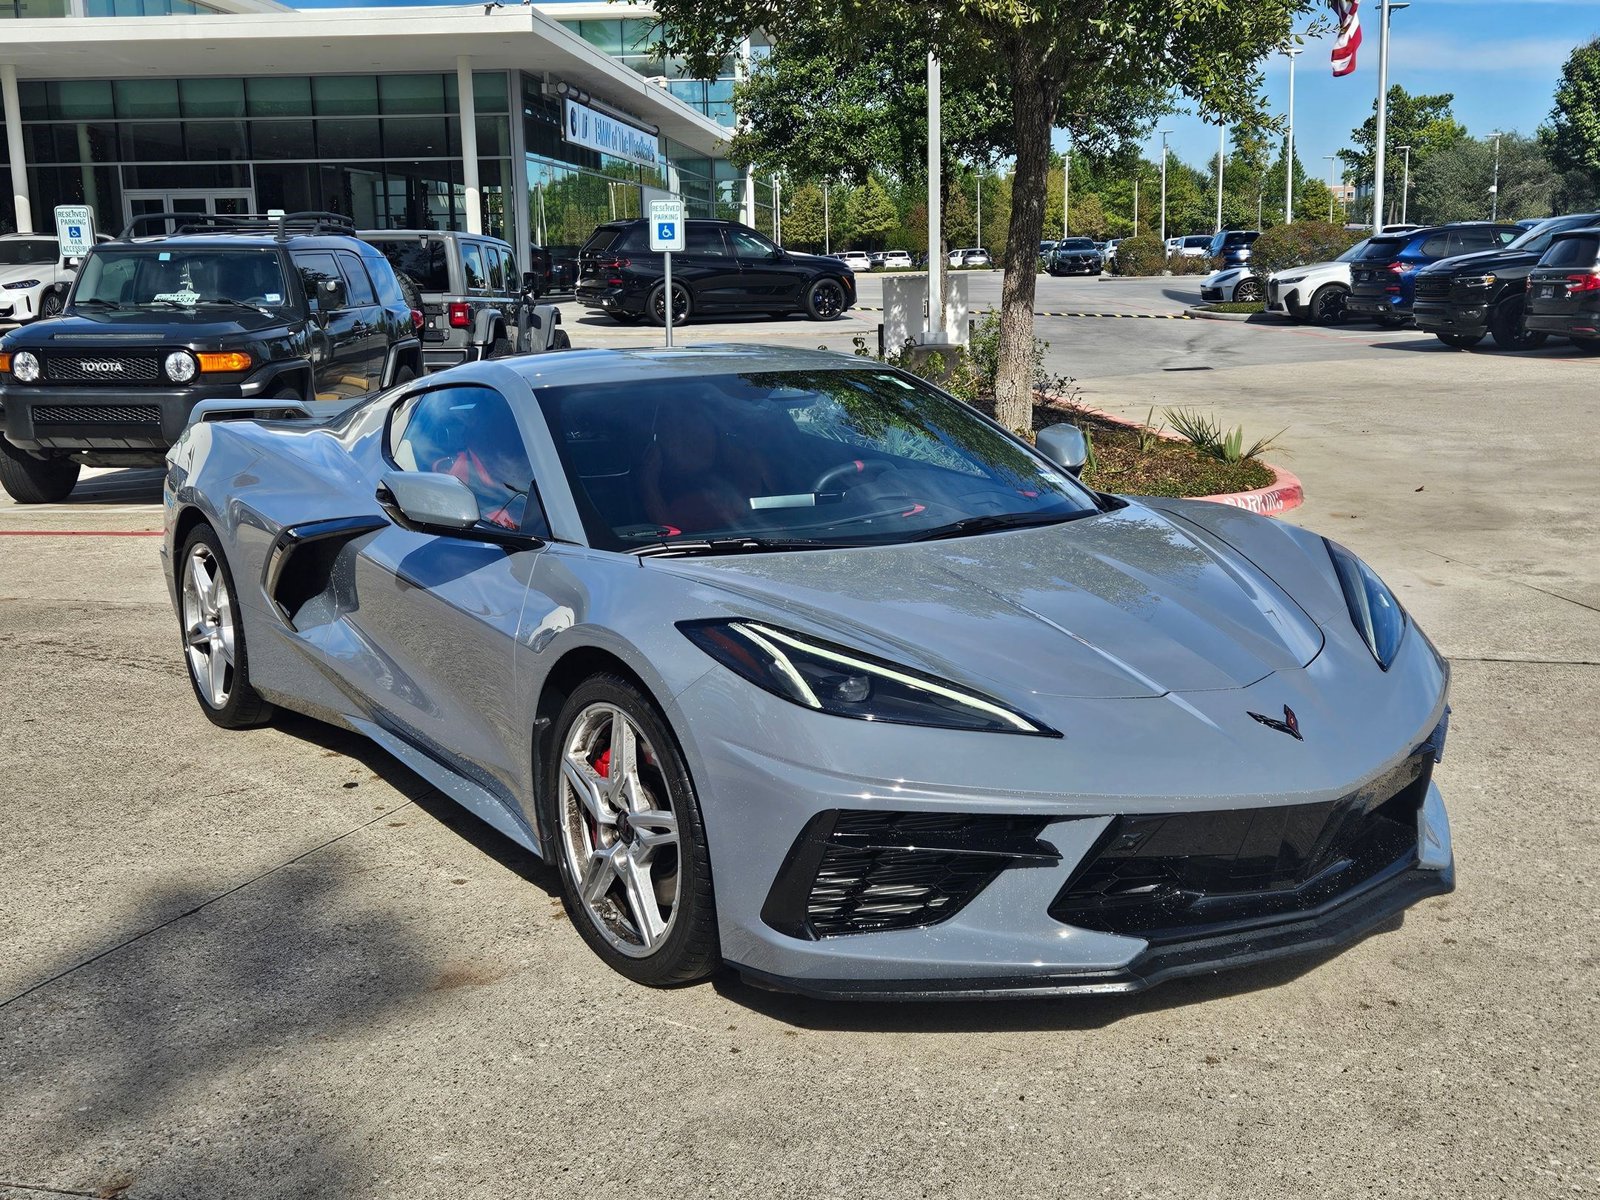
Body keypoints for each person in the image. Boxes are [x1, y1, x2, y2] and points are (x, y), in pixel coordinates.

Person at [638, 405, 770, 534]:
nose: (693, 442)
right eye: (683, 433)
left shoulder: (746, 473)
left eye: (699, 432)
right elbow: (669, 533)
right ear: (656, 449)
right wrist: (649, 483)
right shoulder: (666, 497)